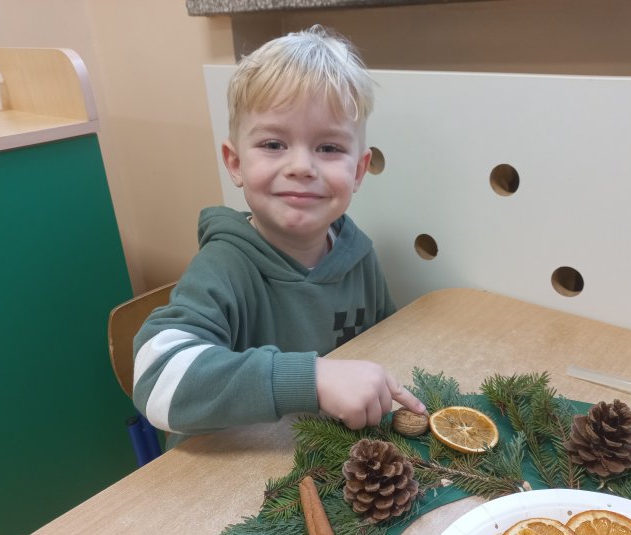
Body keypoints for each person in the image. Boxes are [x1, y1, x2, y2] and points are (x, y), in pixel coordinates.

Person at [133, 25, 426, 448]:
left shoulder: (359, 255)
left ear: (359, 171)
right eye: (273, 144)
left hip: (333, 457)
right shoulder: (224, 266)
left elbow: (387, 350)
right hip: (237, 472)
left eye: (329, 148)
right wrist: (310, 379)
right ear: (235, 163)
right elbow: (154, 376)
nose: (301, 167)